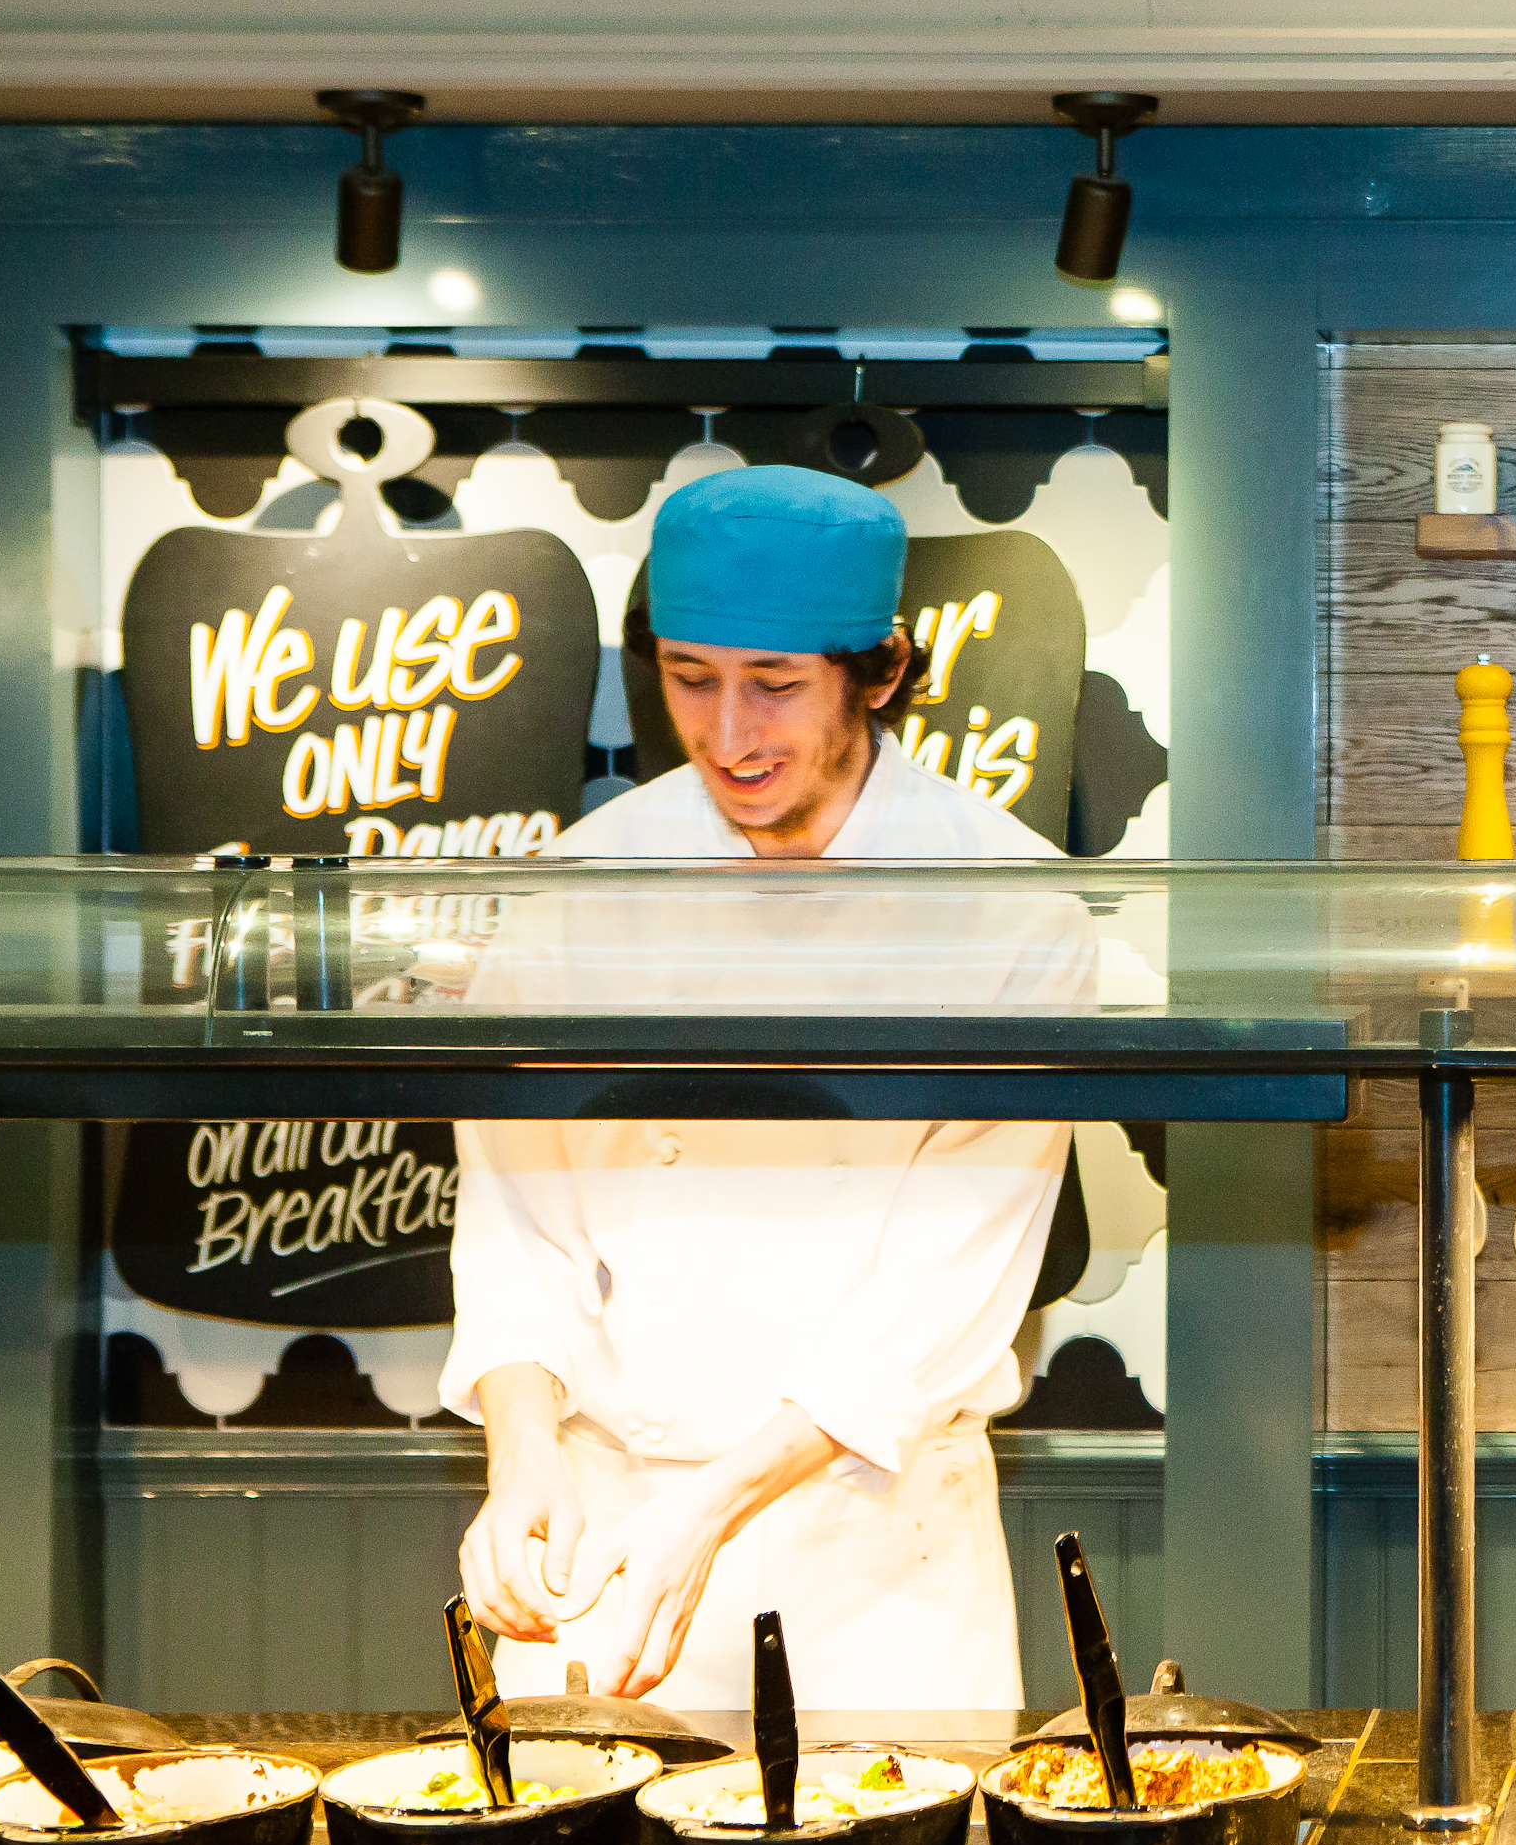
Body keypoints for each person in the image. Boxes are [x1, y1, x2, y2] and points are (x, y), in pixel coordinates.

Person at [439, 464, 1092, 1709]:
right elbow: (514, 1218)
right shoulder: (582, 891)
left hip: (873, 1557)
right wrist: (521, 1454)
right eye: (692, 679)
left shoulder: (1010, 906)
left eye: (776, 688)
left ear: (882, 672)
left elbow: (948, 1290)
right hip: (598, 1520)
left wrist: (711, 1506)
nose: (729, 734)